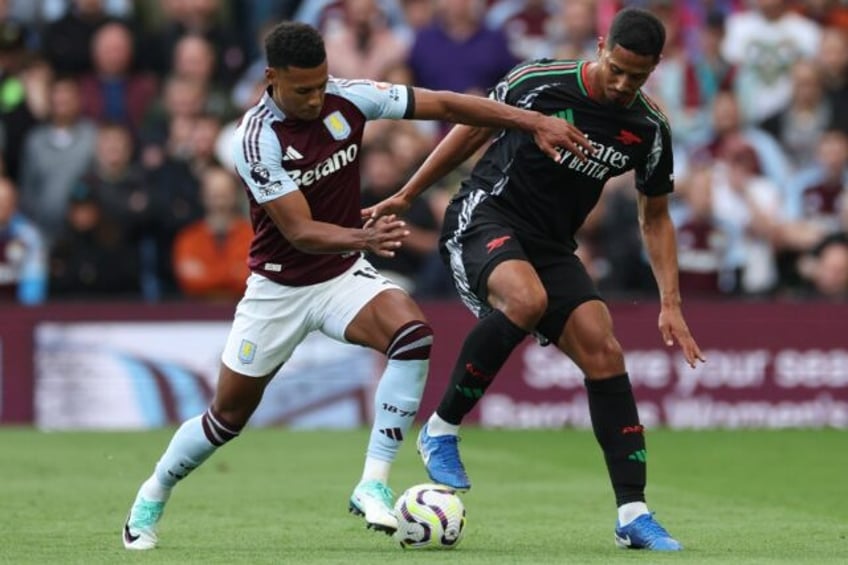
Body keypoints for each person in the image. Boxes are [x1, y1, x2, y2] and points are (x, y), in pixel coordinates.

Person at [121, 20, 592, 550]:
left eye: (322, 83)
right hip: (279, 289)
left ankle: (372, 483)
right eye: (303, 89)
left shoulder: (352, 98)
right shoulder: (254, 139)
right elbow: (298, 231)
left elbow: (446, 105)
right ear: (271, 78)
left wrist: (528, 120)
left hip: (341, 274)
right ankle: (152, 492)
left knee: (413, 337)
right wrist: (362, 235)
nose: (316, 97)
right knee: (227, 417)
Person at [364, 7, 705, 552]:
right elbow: (472, 128)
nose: (622, 84)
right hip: (486, 217)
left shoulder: (648, 128)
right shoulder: (537, 81)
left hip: (549, 245)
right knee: (525, 299)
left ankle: (633, 514)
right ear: (601, 45)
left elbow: (656, 216)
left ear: (655, 68)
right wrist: (408, 192)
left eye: (636, 76)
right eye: (616, 68)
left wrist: (671, 302)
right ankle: (442, 428)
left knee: (604, 351)